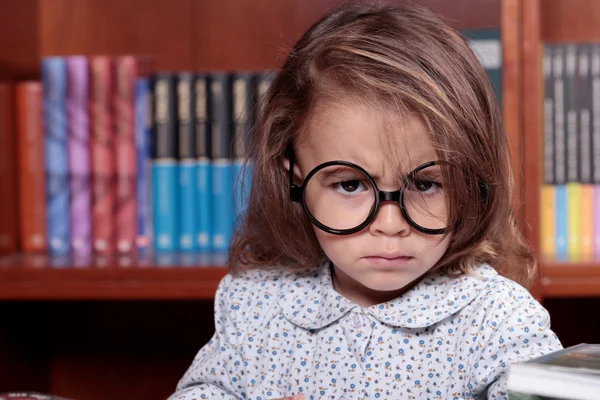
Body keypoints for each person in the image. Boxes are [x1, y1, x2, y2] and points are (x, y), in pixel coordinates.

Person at [169, 2, 562, 399]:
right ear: (297, 178)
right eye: (351, 186)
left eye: (425, 185)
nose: (390, 224)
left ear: (472, 182)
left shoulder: (497, 320)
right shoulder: (258, 307)